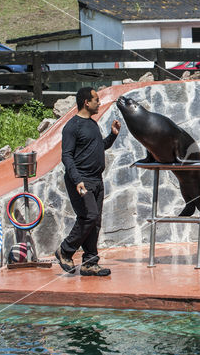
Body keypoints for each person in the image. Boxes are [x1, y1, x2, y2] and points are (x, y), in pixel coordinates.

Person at [55, 87, 121, 276]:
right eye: (96, 100)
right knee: (89, 216)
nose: (99, 103)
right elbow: (66, 156)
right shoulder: (72, 127)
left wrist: (113, 136)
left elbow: (99, 147)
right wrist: (77, 180)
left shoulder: (92, 124)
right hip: (81, 181)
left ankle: (90, 263)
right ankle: (65, 250)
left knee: (95, 221)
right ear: (86, 102)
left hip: (96, 180)